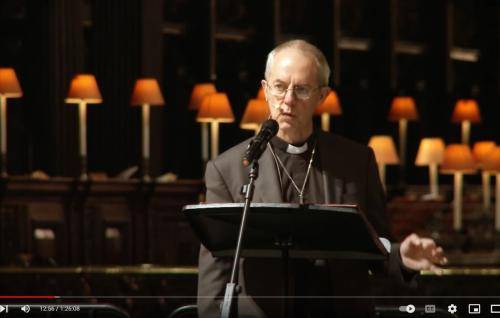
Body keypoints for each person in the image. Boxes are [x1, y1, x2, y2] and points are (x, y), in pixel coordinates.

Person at [197, 39, 447, 317]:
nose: (288, 100)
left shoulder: (355, 161)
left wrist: (401, 256)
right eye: (279, 87)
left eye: (301, 89)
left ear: (323, 96)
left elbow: (374, 243)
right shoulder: (229, 168)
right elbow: (216, 270)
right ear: (265, 90)